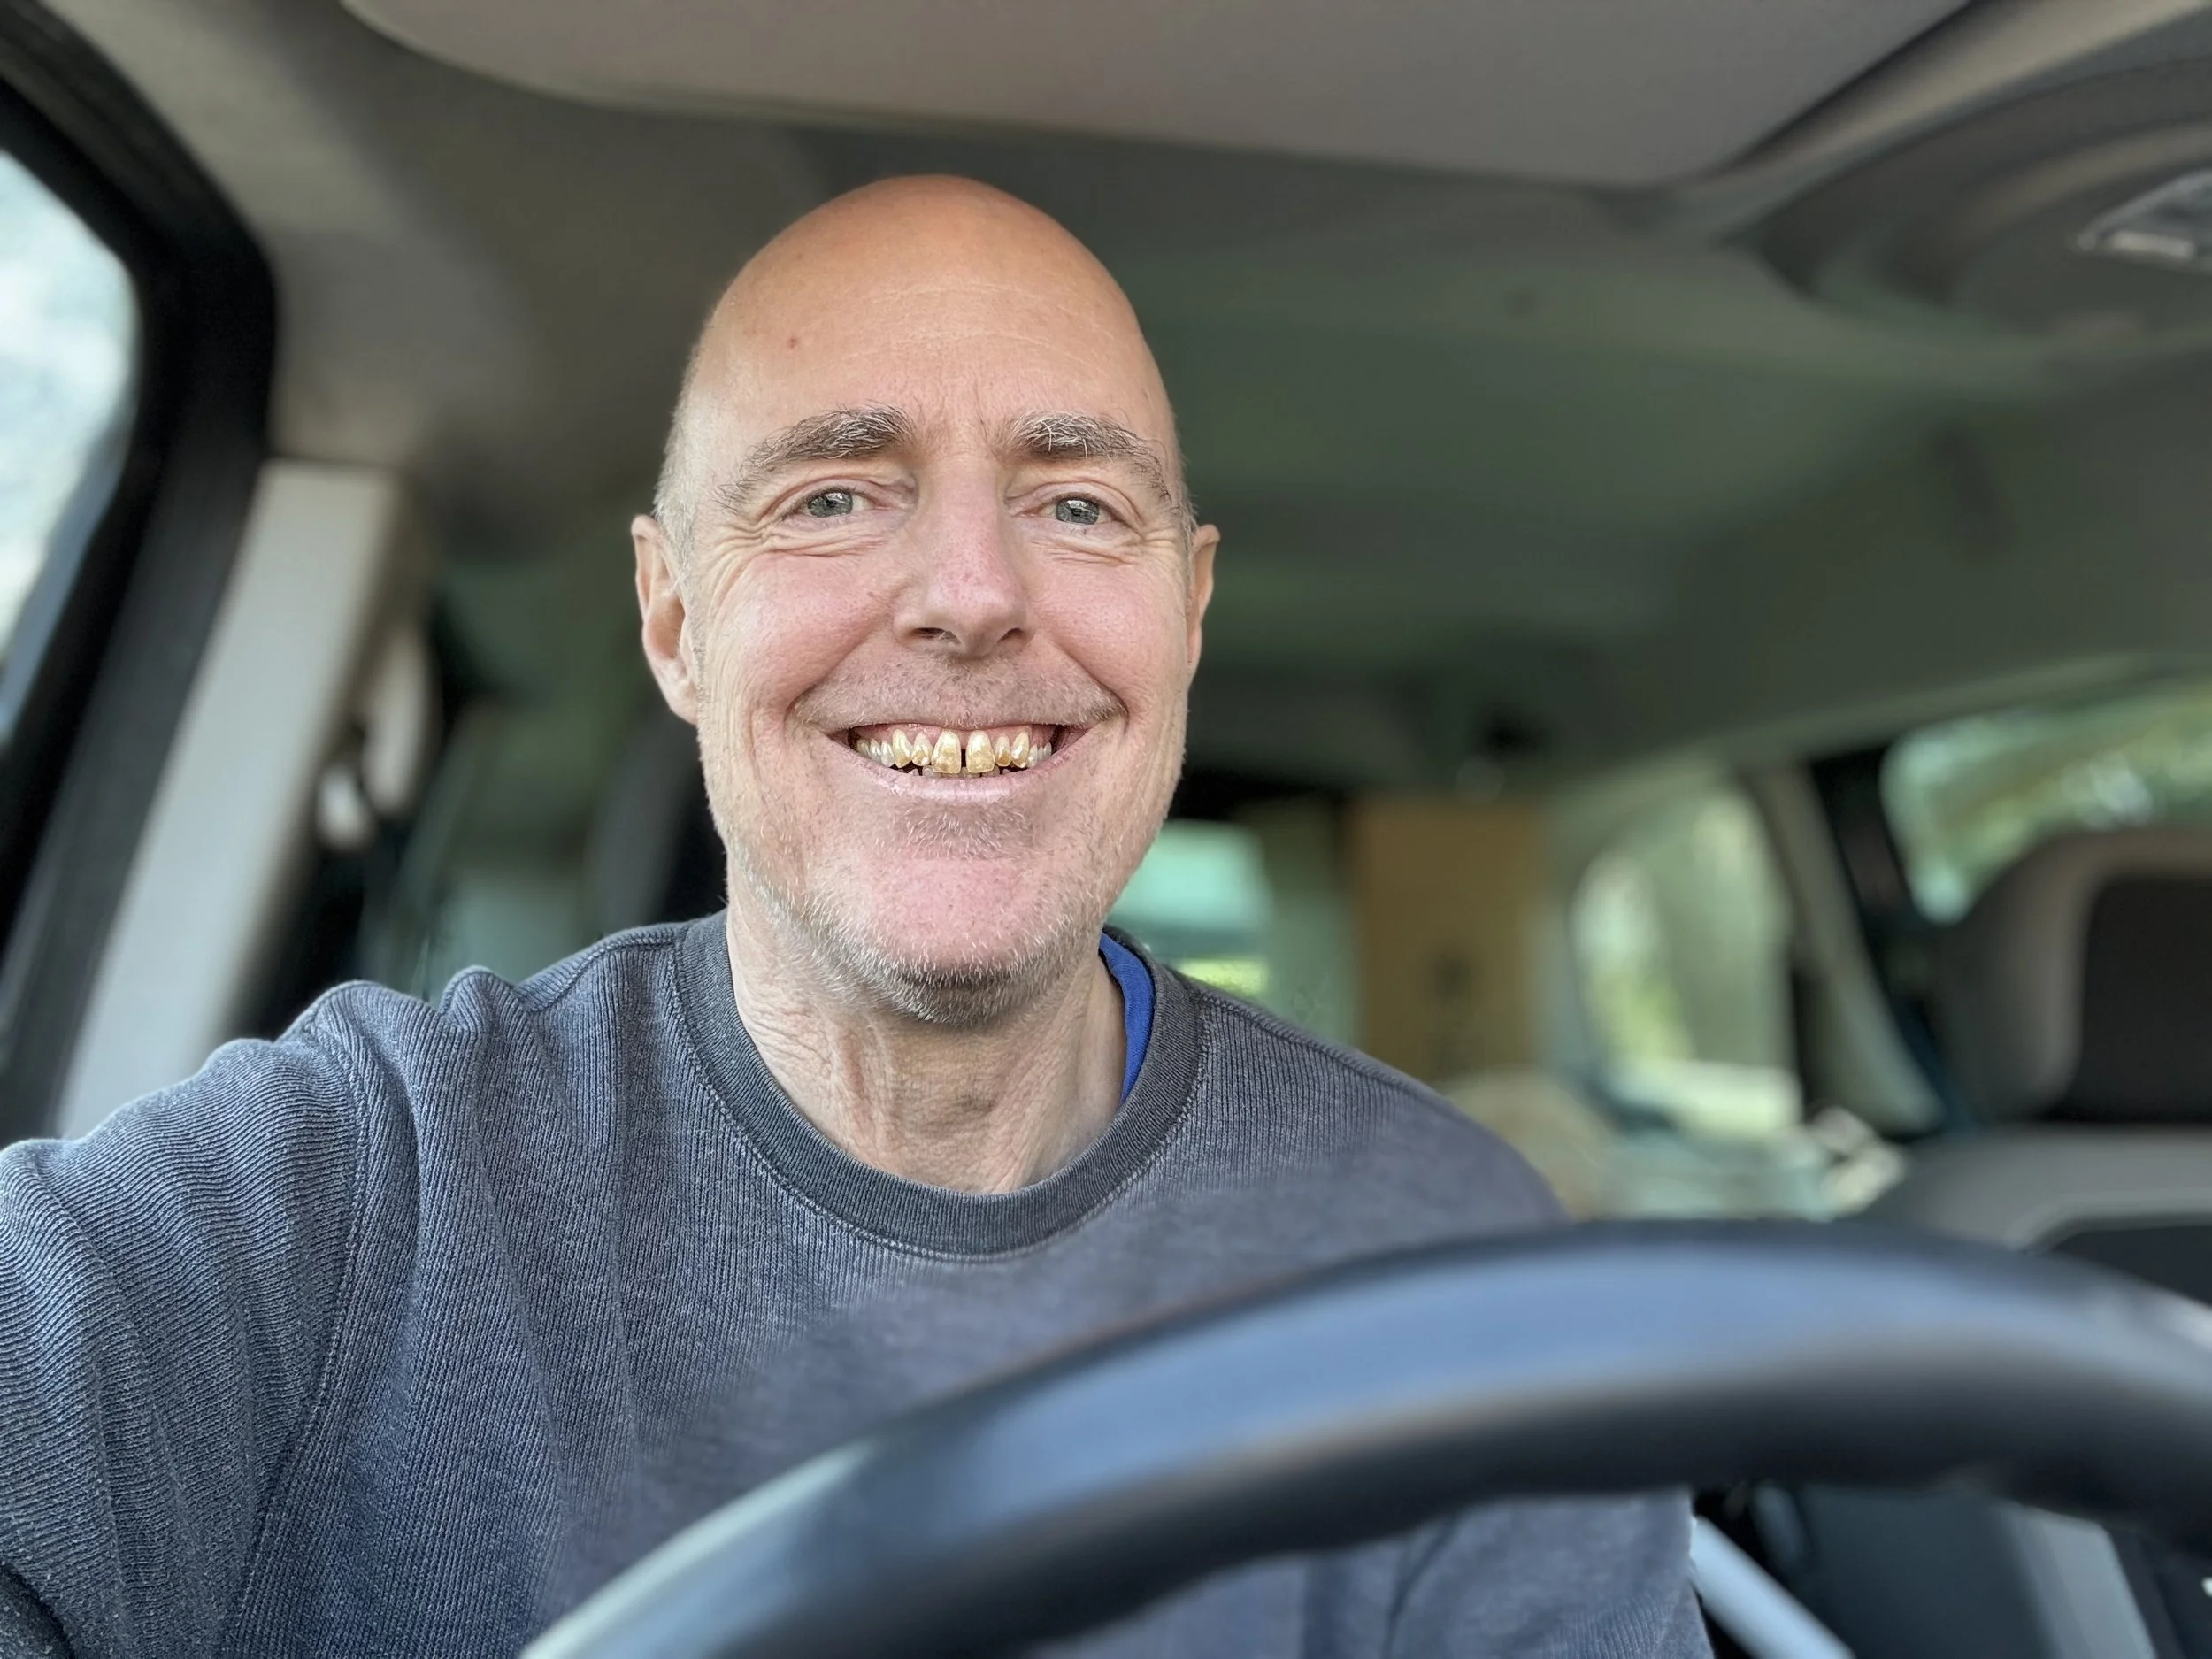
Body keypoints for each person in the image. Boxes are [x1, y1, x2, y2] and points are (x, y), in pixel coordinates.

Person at [0, 176, 1708, 1657]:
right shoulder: (361, 1183)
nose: (971, 595)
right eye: (832, 494)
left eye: (1077, 503)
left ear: (1186, 613)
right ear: (676, 619)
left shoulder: (1445, 1264)